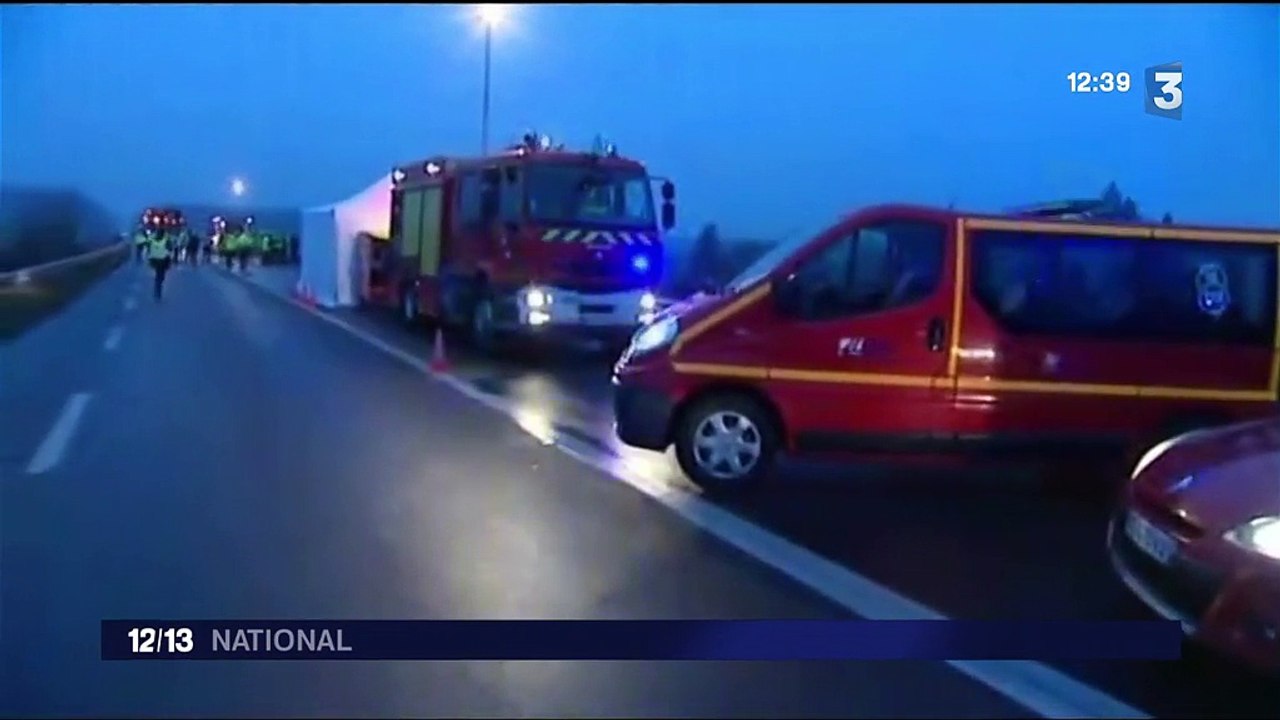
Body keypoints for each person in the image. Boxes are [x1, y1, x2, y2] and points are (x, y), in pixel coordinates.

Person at [146, 228, 173, 301]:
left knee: (158, 275)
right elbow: (170, 248)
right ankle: (158, 291)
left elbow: (148, 247)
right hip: (163, 261)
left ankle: (157, 290)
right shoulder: (166, 240)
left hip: (154, 260)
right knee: (161, 277)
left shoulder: (152, 239)